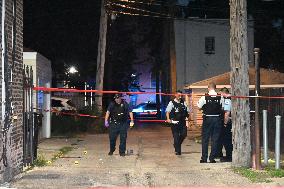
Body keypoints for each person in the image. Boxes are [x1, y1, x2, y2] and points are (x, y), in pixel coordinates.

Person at [197, 82, 223, 163]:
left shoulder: (204, 97)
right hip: (217, 119)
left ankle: (204, 158)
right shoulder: (220, 97)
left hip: (207, 119)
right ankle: (212, 158)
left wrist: (203, 109)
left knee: (205, 139)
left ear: (208, 88)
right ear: (215, 88)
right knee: (215, 139)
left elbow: (198, 107)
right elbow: (222, 107)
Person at [166, 90, 190, 155]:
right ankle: (178, 151)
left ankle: (176, 144)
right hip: (174, 122)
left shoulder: (183, 103)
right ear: (175, 95)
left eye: (181, 95)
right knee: (176, 137)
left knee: (184, 134)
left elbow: (187, 112)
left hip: (182, 122)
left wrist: (187, 121)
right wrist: (168, 119)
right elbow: (167, 112)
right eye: (178, 95)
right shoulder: (171, 103)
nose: (180, 96)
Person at [218, 87, 233, 162]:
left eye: (221, 94)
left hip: (228, 123)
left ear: (223, 93)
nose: (221, 96)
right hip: (232, 122)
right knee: (229, 140)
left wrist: (224, 123)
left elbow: (227, 113)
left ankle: (229, 157)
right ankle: (229, 156)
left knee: (227, 140)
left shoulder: (227, 100)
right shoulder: (233, 97)